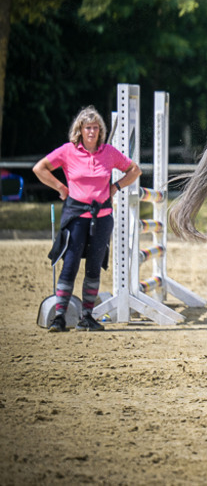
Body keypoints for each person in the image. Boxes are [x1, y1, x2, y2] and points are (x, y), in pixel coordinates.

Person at [33, 106, 141, 332]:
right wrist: (61, 187)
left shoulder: (109, 152)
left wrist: (116, 186)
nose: (91, 132)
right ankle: (59, 317)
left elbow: (134, 170)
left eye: (95, 128)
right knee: (70, 265)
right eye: (87, 128)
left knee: (93, 268)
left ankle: (87, 317)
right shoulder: (68, 151)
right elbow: (39, 168)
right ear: (80, 130)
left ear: (100, 131)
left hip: (102, 217)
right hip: (76, 217)